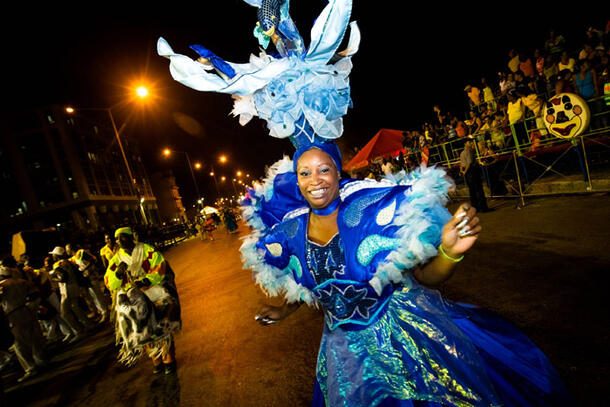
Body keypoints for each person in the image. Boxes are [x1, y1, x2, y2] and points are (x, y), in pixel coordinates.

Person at [160, 1, 570, 404]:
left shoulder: (372, 211)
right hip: (346, 359)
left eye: (325, 171)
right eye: (305, 173)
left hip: (408, 337)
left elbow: (426, 278)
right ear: (295, 180)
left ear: (339, 173)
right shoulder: (290, 229)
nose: (315, 180)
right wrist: (286, 311)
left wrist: (448, 251)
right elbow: (320, 288)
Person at [104, 227, 181, 374]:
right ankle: (156, 362)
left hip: (152, 288)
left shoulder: (146, 250)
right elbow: (110, 283)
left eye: (123, 237)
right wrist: (118, 276)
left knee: (162, 324)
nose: (119, 241)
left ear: (131, 237)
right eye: (117, 239)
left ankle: (169, 360)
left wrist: (144, 281)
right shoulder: (115, 259)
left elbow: (160, 268)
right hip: (131, 294)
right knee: (140, 330)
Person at [0, 265, 47, 382]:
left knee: (19, 343)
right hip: (26, 310)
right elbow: (35, 293)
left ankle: (30, 367)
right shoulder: (22, 281)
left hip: (12, 315)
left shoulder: (2, 286)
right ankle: (40, 360)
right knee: (33, 336)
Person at [460, 139, 490, 212]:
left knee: (472, 191)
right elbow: (469, 163)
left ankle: (475, 207)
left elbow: (462, 163)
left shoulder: (462, 152)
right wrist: (465, 171)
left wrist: (463, 171)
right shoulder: (469, 151)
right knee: (479, 189)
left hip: (467, 172)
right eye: (469, 142)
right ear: (465, 143)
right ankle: (483, 207)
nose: (471, 143)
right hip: (472, 171)